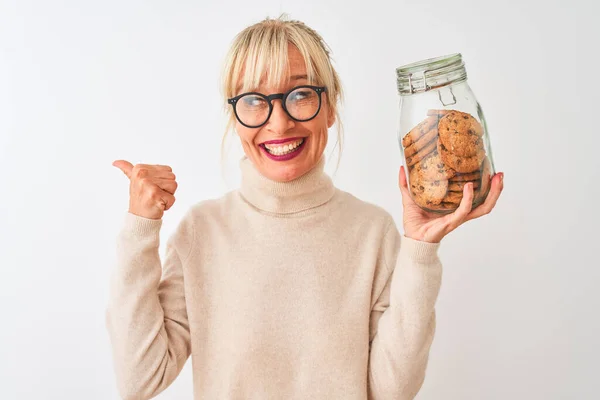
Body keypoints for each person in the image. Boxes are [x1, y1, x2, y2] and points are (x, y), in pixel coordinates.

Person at [106, 16, 503, 400]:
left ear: (330, 108)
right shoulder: (202, 231)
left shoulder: (372, 231)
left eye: (300, 95)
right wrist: (139, 230)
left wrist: (419, 251)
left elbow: (392, 392)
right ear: (235, 116)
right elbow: (141, 379)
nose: (279, 124)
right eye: (254, 101)